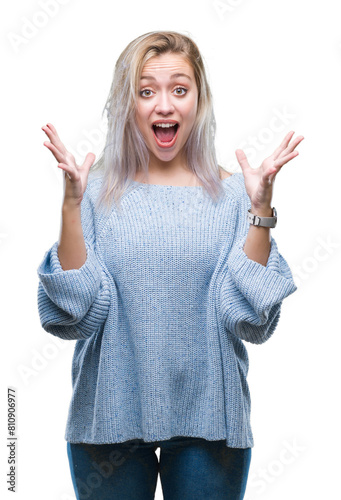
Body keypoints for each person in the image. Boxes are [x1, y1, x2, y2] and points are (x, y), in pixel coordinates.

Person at [37, 31, 303, 500]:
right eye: (147, 91)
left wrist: (259, 210)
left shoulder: (234, 194)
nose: (164, 105)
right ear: (128, 103)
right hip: (108, 419)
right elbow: (74, 315)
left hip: (210, 422)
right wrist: (70, 208)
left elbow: (249, 321)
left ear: (199, 101)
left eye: (179, 89)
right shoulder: (93, 193)